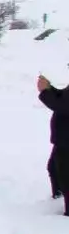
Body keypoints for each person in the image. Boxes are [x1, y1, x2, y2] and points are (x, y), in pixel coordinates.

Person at [38, 74, 69, 216]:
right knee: (54, 169)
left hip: (66, 143)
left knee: (65, 177)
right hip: (62, 141)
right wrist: (50, 89)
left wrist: (45, 92)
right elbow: (63, 98)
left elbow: (62, 105)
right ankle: (57, 200)